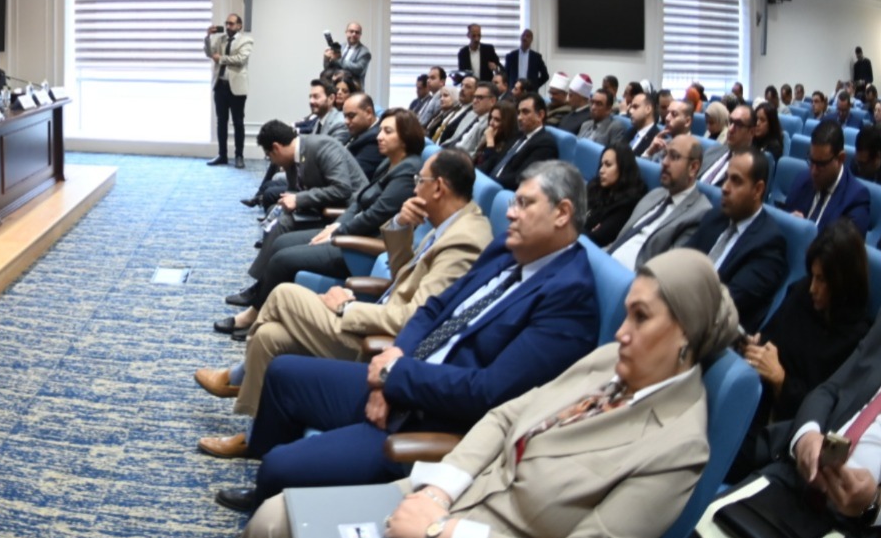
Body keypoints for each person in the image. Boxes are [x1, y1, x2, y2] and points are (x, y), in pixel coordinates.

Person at [214, 249, 738, 538]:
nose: (621, 332)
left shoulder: (677, 447)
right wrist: (436, 494)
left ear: (685, 334)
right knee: (272, 517)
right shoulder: (608, 363)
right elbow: (507, 416)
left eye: (641, 318)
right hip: (436, 499)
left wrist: (441, 535)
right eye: (625, 315)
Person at [208, 161, 600, 515]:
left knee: (278, 466)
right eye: (513, 202)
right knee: (283, 374)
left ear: (562, 213)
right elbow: (433, 310)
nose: (510, 213)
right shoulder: (508, 250)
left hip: (430, 420)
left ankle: (268, 508)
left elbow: (489, 393)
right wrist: (393, 362)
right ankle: (265, 494)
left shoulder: (569, 298)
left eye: (524, 204)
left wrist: (396, 377)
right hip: (405, 378)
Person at [194, 148, 492, 453]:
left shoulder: (463, 242)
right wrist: (401, 225)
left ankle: (237, 377)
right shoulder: (449, 224)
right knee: (269, 336)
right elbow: (402, 276)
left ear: (438, 187)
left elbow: (415, 318)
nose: (415, 188)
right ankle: (256, 434)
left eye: (420, 180)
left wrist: (347, 307)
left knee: (283, 294)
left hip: (381, 344)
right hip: (376, 318)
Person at [636, 294, 881, 538]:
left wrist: (877, 501)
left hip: (851, 526)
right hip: (795, 476)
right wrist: (806, 435)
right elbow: (831, 389)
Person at [218, 110, 419, 330]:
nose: (379, 136)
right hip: (348, 228)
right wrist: (337, 224)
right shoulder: (389, 164)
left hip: (360, 246)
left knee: (282, 259)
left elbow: (374, 215)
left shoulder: (407, 172)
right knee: (281, 242)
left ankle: (253, 316)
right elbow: (359, 203)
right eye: (380, 131)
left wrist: (338, 232)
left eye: (387, 132)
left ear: (406, 136)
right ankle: (265, 305)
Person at [730, 221, 870, 480]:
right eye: (812, 276)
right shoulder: (802, 294)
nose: (813, 287)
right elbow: (770, 338)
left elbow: (825, 413)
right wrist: (754, 346)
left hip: (782, 434)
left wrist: (781, 380)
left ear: (843, 283)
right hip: (753, 398)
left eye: (822, 280)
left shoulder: (857, 337)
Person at [217, 120, 367, 326]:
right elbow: (299, 188)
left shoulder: (323, 147)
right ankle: (260, 289)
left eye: (269, 156)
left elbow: (342, 189)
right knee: (281, 221)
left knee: (283, 227)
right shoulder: (292, 159)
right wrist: (293, 198)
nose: (272, 161)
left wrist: (300, 199)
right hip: (323, 209)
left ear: (276, 148)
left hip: (343, 215)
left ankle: (259, 294)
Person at [687, 149, 786, 328]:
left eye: (736, 181)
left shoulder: (769, 244)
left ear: (758, 190)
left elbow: (727, 304)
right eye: (726, 178)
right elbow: (682, 259)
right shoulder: (714, 217)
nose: (725, 188)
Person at [606, 135, 709, 270]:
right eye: (665, 155)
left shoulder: (700, 213)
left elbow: (667, 271)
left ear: (693, 167)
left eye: (674, 157)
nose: (664, 162)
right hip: (606, 261)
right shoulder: (655, 194)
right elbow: (620, 240)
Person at [784, 120, 870, 235]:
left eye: (821, 164)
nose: (814, 171)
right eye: (812, 161)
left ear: (841, 159)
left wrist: (803, 233)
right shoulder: (802, 179)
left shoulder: (856, 199)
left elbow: (844, 244)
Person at [206, 14, 253, 167]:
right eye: (226, 23)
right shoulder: (220, 39)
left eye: (231, 24)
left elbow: (240, 59)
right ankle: (222, 155)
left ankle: (239, 156)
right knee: (221, 122)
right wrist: (207, 37)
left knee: (238, 123)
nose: (228, 26)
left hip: (237, 88)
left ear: (239, 25)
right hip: (220, 85)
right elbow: (209, 53)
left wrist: (221, 59)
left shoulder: (246, 40)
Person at [490, 93, 558, 190]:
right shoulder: (517, 135)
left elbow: (522, 177)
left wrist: (490, 182)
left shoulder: (545, 144)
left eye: (525, 112)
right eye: (519, 112)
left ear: (540, 115)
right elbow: (496, 160)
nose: (519, 117)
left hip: (507, 191)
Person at [583, 142, 646, 247]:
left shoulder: (628, 202)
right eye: (602, 165)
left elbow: (597, 237)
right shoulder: (595, 185)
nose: (601, 170)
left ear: (623, 168)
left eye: (608, 165)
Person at [700, 103, 753, 185]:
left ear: (751, 132)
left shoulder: (752, 165)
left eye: (738, 124)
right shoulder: (714, 149)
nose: (730, 129)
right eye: (730, 122)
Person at [340, 93, 382, 179]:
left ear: (368, 112)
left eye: (351, 116)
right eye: (345, 116)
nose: (346, 121)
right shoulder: (357, 130)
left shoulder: (376, 139)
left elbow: (354, 175)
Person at [445, 83, 495, 154]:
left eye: (480, 98)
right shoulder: (470, 114)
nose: (474, 101)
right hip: (448, 150)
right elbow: (454, 138)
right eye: (474, 97)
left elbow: (476, 153)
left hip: (459, 157)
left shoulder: (490, 123)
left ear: (492, 101)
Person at [472, 101, 517, 174]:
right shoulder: (493, 136)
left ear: (507, 122)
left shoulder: (510, 144)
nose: (491, 123)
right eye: (491, 118)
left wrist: (490, 141)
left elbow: (487, 166)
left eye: (497, 120)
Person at [324, 22, 371, 89]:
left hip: (353, 90)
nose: (354, 34)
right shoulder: (340, 46)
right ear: (346, 32)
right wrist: (326, 58)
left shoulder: (365, 52)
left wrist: (338, 59)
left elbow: (358, 69)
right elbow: (328, 68)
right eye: (351, 31)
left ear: (360, 35)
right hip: (336, 88)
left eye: (357, 32)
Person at [503, 28, 549, 93]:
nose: (525, 38)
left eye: (527, 36)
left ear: (531, 40)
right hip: (514, 90)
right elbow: (505, 74)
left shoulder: (536, 57)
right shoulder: (511, 56)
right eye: (523, 35)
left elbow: (545, 76)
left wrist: (535, 85)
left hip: (530, 91)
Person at [625, 91, 660, 158]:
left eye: (635, 107)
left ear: (648, 109)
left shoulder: (656, 139)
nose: (630, 111)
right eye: (631, 107)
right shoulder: (630, 131)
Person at [751, 101, 787, 165]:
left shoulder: (774, 147)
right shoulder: (750, 138)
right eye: (756, 119)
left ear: (771, 124)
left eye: (762, 120)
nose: (757, 123)